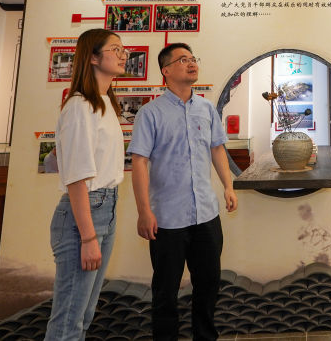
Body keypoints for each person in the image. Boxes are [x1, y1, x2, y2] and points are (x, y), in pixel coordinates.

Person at [128, 43, 238, 341]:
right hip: (167, 219)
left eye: (193, 58)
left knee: (208, 285)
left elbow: (217, 148)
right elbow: (139, 162)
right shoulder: (150, 113)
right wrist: (143, 211)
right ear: (166, 70)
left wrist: (228, 186)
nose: (191, 63)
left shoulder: (206, 108)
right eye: (182, 60)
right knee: (166, 291)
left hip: (206, 214)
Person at [45, 29, 127, 341]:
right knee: (69, 319)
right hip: (85, 214)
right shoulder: (80, 106)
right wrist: (88, 236)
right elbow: (77, 179)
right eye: (115, 49)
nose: (122, 55)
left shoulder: (104, 103)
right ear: (92, 57)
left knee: (82, 315)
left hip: (106, 207)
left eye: (123, 50)